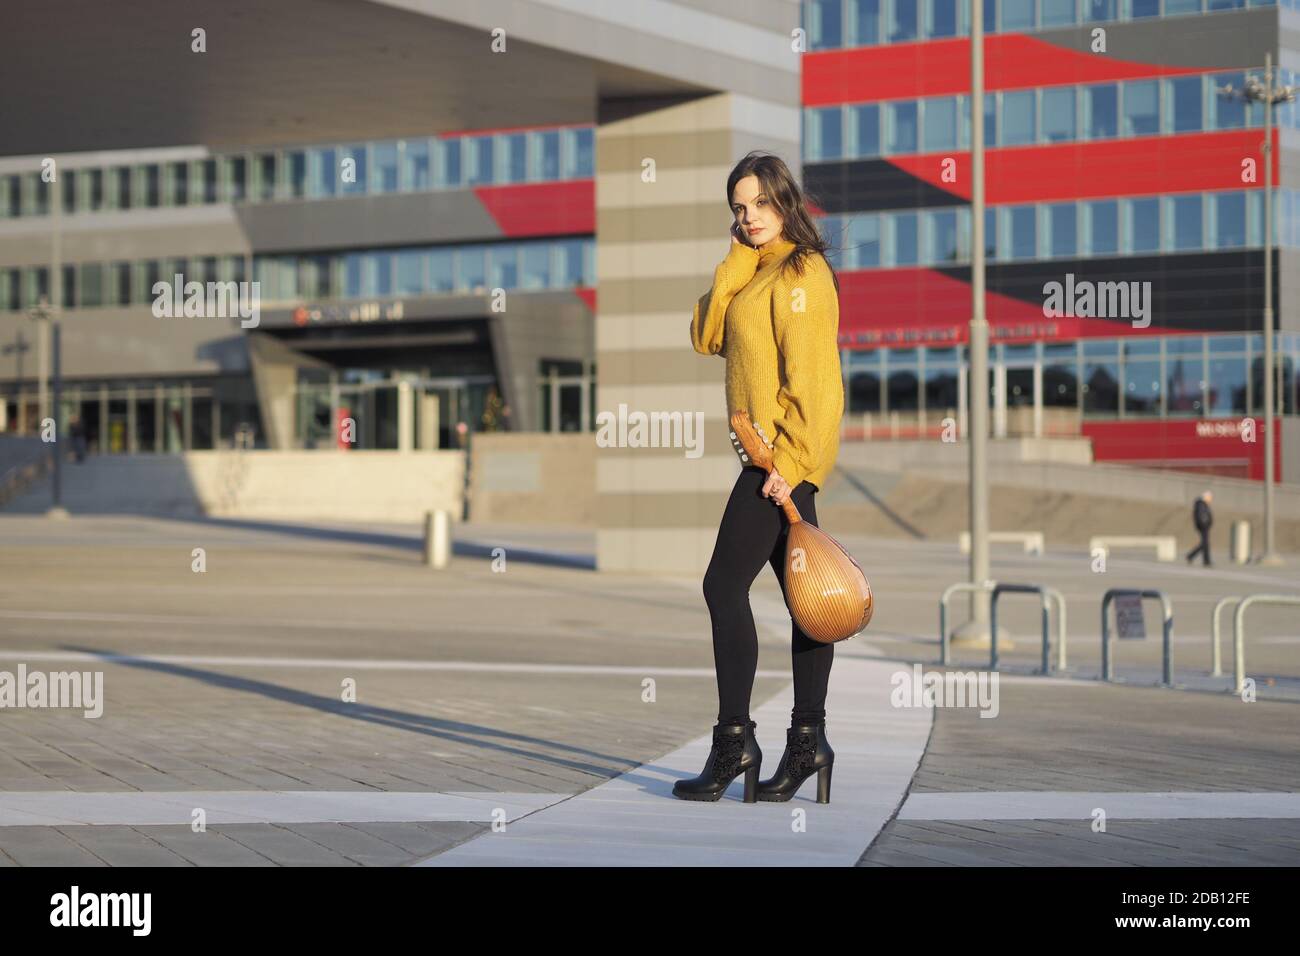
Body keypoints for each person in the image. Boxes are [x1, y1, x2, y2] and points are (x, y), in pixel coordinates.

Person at [675, 151, 843, 804]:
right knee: (810, 605)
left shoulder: (804, 274)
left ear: (786, 202)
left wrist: (794, 466)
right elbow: (705, 334)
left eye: (760, 205)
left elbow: (817, 385)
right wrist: (737, 262)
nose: (748, 218)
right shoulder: (754, 272)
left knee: (722, 585)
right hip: (768, 461)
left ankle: (735, 741)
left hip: (779, 465)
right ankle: (808, 744)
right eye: (739, 210)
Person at [1186, 490, 1213, 566]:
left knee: (1204, 544)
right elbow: (1201, 516)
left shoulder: (1203, 504)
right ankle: (1205, 560)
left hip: (1204, 526)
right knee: (1205, 543)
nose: (1211, 499)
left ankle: (1192, 556)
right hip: (1203, 526)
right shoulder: (1201, 504)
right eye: (1210, 498)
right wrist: (1205, 523)